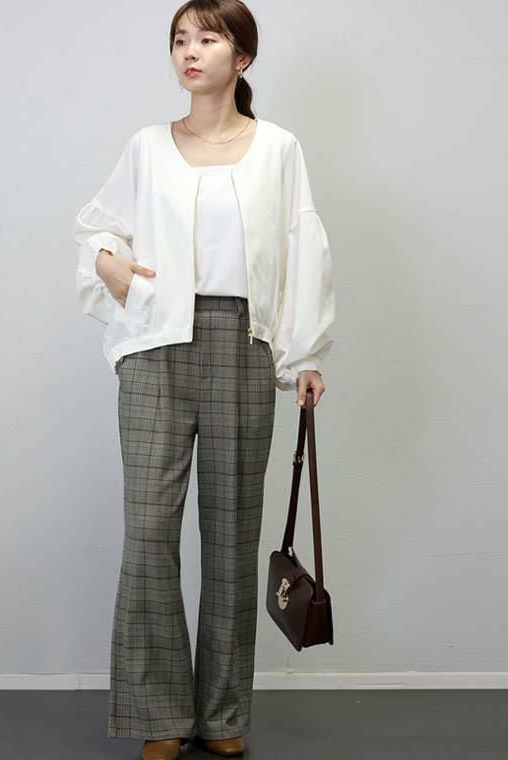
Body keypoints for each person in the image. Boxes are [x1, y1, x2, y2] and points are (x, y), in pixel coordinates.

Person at [72, 2, 335, 759]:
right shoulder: (148, 147)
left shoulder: (278, 148)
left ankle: (221, 715)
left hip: (240, 343)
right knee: (149, 534)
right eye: (180, 40)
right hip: (156, 345)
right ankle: (161, 713)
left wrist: (305, 355)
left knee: (231, 534)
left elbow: (303, 249)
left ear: (241, 57)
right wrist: (108, 261)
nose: (190, 51)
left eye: (208, 38)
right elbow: (98, 227)